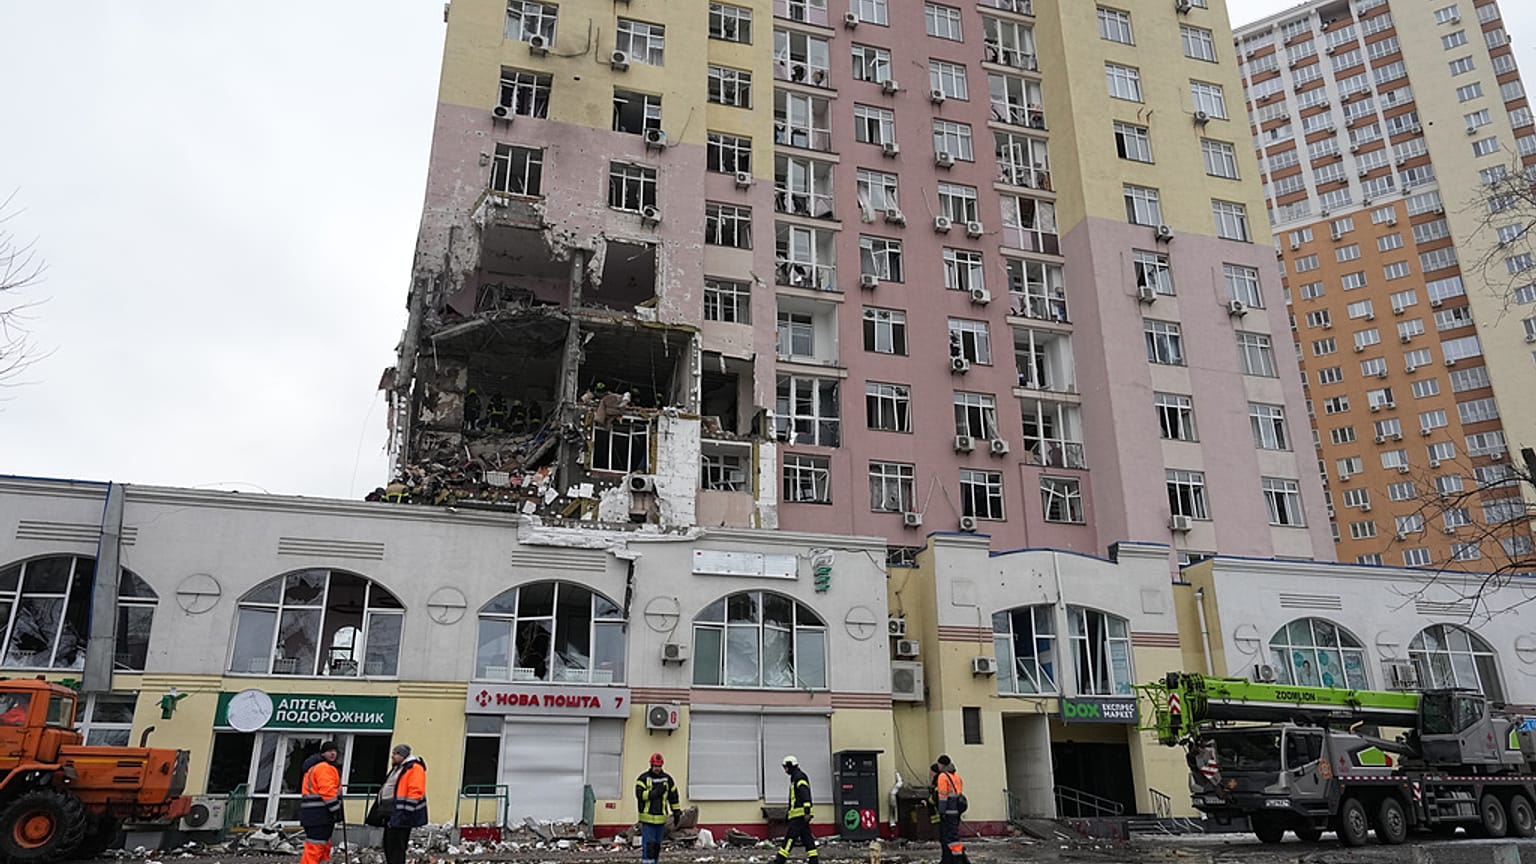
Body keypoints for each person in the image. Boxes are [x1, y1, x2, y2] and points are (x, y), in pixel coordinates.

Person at [377, 744, 428, 864]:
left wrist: (406, 813)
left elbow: (415, 791)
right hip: (392, 812)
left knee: (396, 846)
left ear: (403, 755)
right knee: (389, 845)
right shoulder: (399, 768)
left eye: (395, 754)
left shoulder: (414, 768)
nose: (392, 756)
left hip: (402, 813)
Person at [298, 742, 344, 864]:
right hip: (319, 815)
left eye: (335, 751)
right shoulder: (324, 768)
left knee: (322, 846)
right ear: (323, 753)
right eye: (329, 751)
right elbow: (327, 791)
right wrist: (336, 810)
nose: (333, 753)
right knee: (316, 847)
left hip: (315, 815)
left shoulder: (315, 767)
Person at [634, 753, 680, 864]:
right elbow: (639, 795)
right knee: (649, 847)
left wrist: (676, 812)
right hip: (647, 819)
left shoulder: (667, 779)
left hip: (661, 819)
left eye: (659, 766)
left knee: (656, 847)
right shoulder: (643, 778)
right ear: (651, 765)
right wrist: (654, 793)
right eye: (655, 766)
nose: (657, 769)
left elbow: (673, 796)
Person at [776, 755, 817, 864]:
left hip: (800, 815)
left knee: (790, 837)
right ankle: (814, 860)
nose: (785, 770)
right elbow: (794, 799)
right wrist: (788, 814)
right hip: (799, 815)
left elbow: (805, 794)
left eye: (785, 767)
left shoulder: (799, 777)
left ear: (790, 766)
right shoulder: (796, 777)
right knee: (806, 838)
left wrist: (807, 810)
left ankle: (780, 860)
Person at [934, 755, 969, 864]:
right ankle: (957, 857)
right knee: (954, 835)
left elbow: (943, 796)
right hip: (956, 811)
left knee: (949, 837)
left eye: (939, 764)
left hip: (948, 811)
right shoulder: (956, 776)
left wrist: (942, 811)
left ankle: (956, 859)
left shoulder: (943, 777)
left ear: (942, 765)